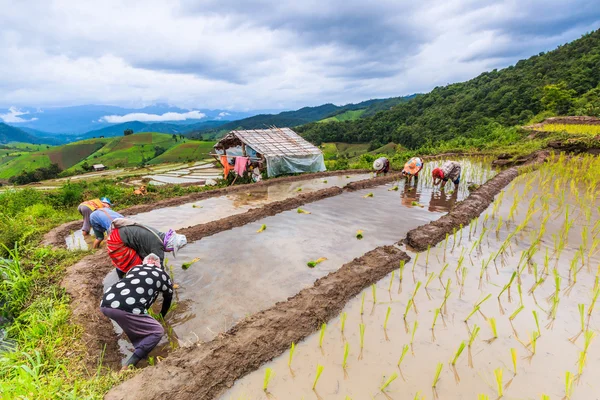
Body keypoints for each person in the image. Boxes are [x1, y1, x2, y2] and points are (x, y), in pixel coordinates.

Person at [100, 253, 173, 370]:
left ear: (144, 263)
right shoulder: (163, 275)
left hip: (106, 302)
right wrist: (161, 316)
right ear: (157, 265)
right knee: (157, 331)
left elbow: (134, 289)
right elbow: (168, 298)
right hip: (126, 307)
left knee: (132, 323)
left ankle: (141, 347)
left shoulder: (135, 268)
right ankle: (129, 365)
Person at [107, 218, 187, 278]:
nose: (169, 251)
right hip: (117, 241)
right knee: (136, 268)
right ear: (170, 245)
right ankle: (128, 282)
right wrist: (165, 281)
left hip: (118, 235)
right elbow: (158, 269)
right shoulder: (158, 245)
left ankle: (123, 277)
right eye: (171, 249)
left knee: (138, 263)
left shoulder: (158, 235)